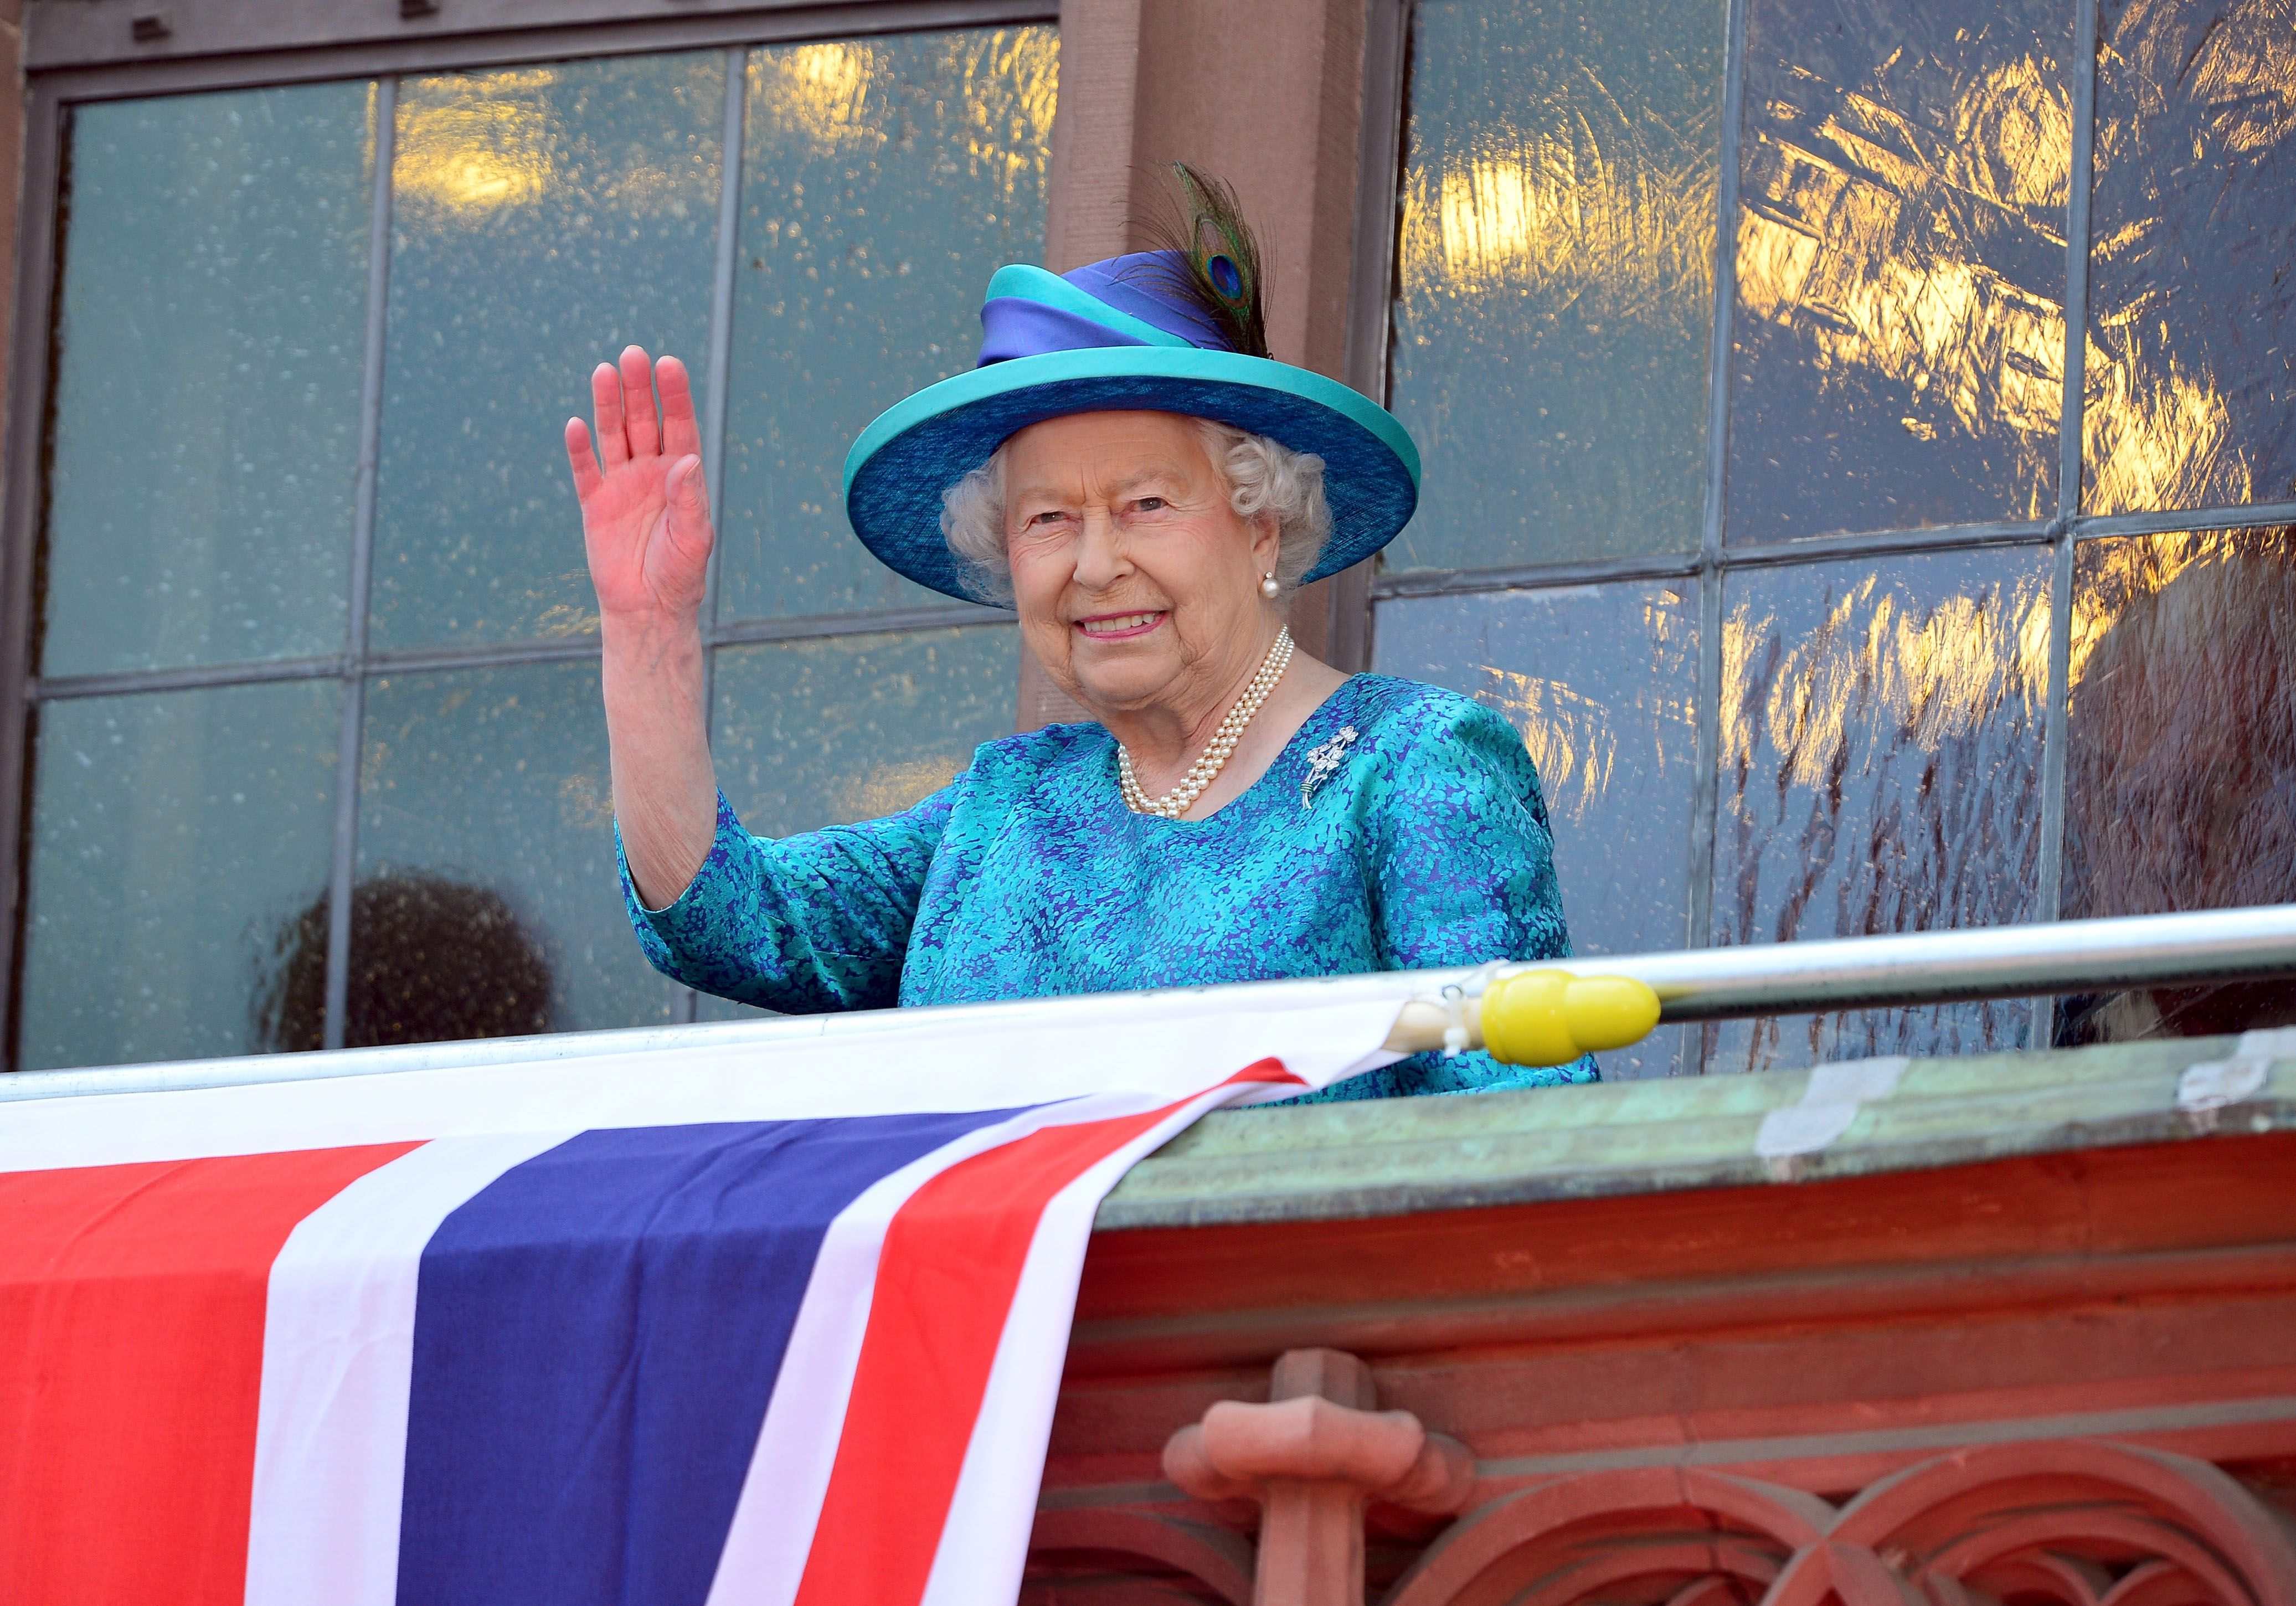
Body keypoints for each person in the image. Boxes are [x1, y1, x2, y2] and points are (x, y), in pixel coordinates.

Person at [565, 168, 1592, 1098]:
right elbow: (728, 921)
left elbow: (1522, 1142)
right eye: (1048, 519)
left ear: (1259, 523)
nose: (1095, 565)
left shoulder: (1414, 769)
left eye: (1147, 504)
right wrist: (645, 632)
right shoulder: (1001, 810)